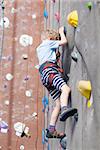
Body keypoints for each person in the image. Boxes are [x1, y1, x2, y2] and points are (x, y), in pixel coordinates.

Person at [36, 27, 77, 138]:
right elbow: (64, 42)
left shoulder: (40, 49)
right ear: (50, 38)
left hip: (45, 77)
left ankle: (51, 130)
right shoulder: (48, 42)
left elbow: (50, 58)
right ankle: (65, 109)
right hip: (50, 72)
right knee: (66, 89)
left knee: (57, 104)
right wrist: (60, 32)